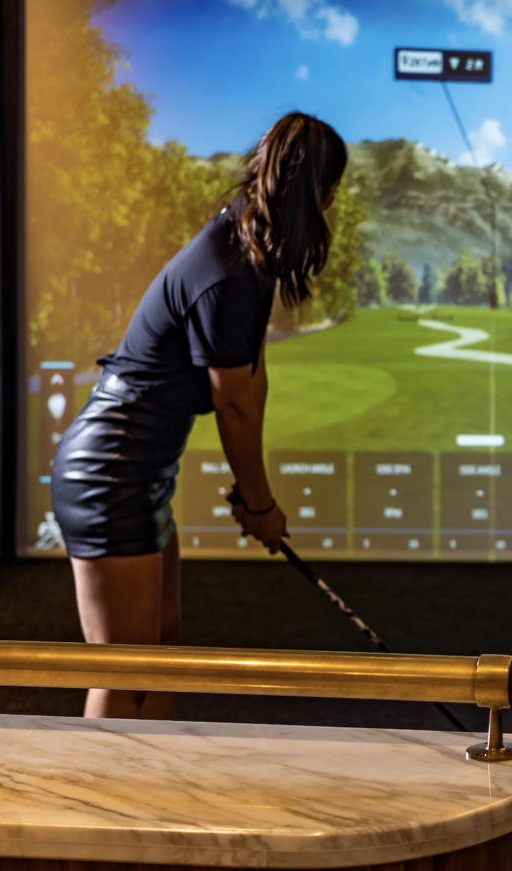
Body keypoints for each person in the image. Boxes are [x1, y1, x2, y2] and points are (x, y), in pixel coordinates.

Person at [51, 112, 346, 719]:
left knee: (162, 650)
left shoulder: (250, 247)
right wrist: (260, 505)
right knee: (125, 672)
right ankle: (107, 786)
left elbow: (252, 381)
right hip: (110, 472)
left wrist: (255, 494)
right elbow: (231, 403)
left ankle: (152, 782)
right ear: (318, 194)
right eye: (333, 191)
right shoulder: (232, 268)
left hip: (140, 471)